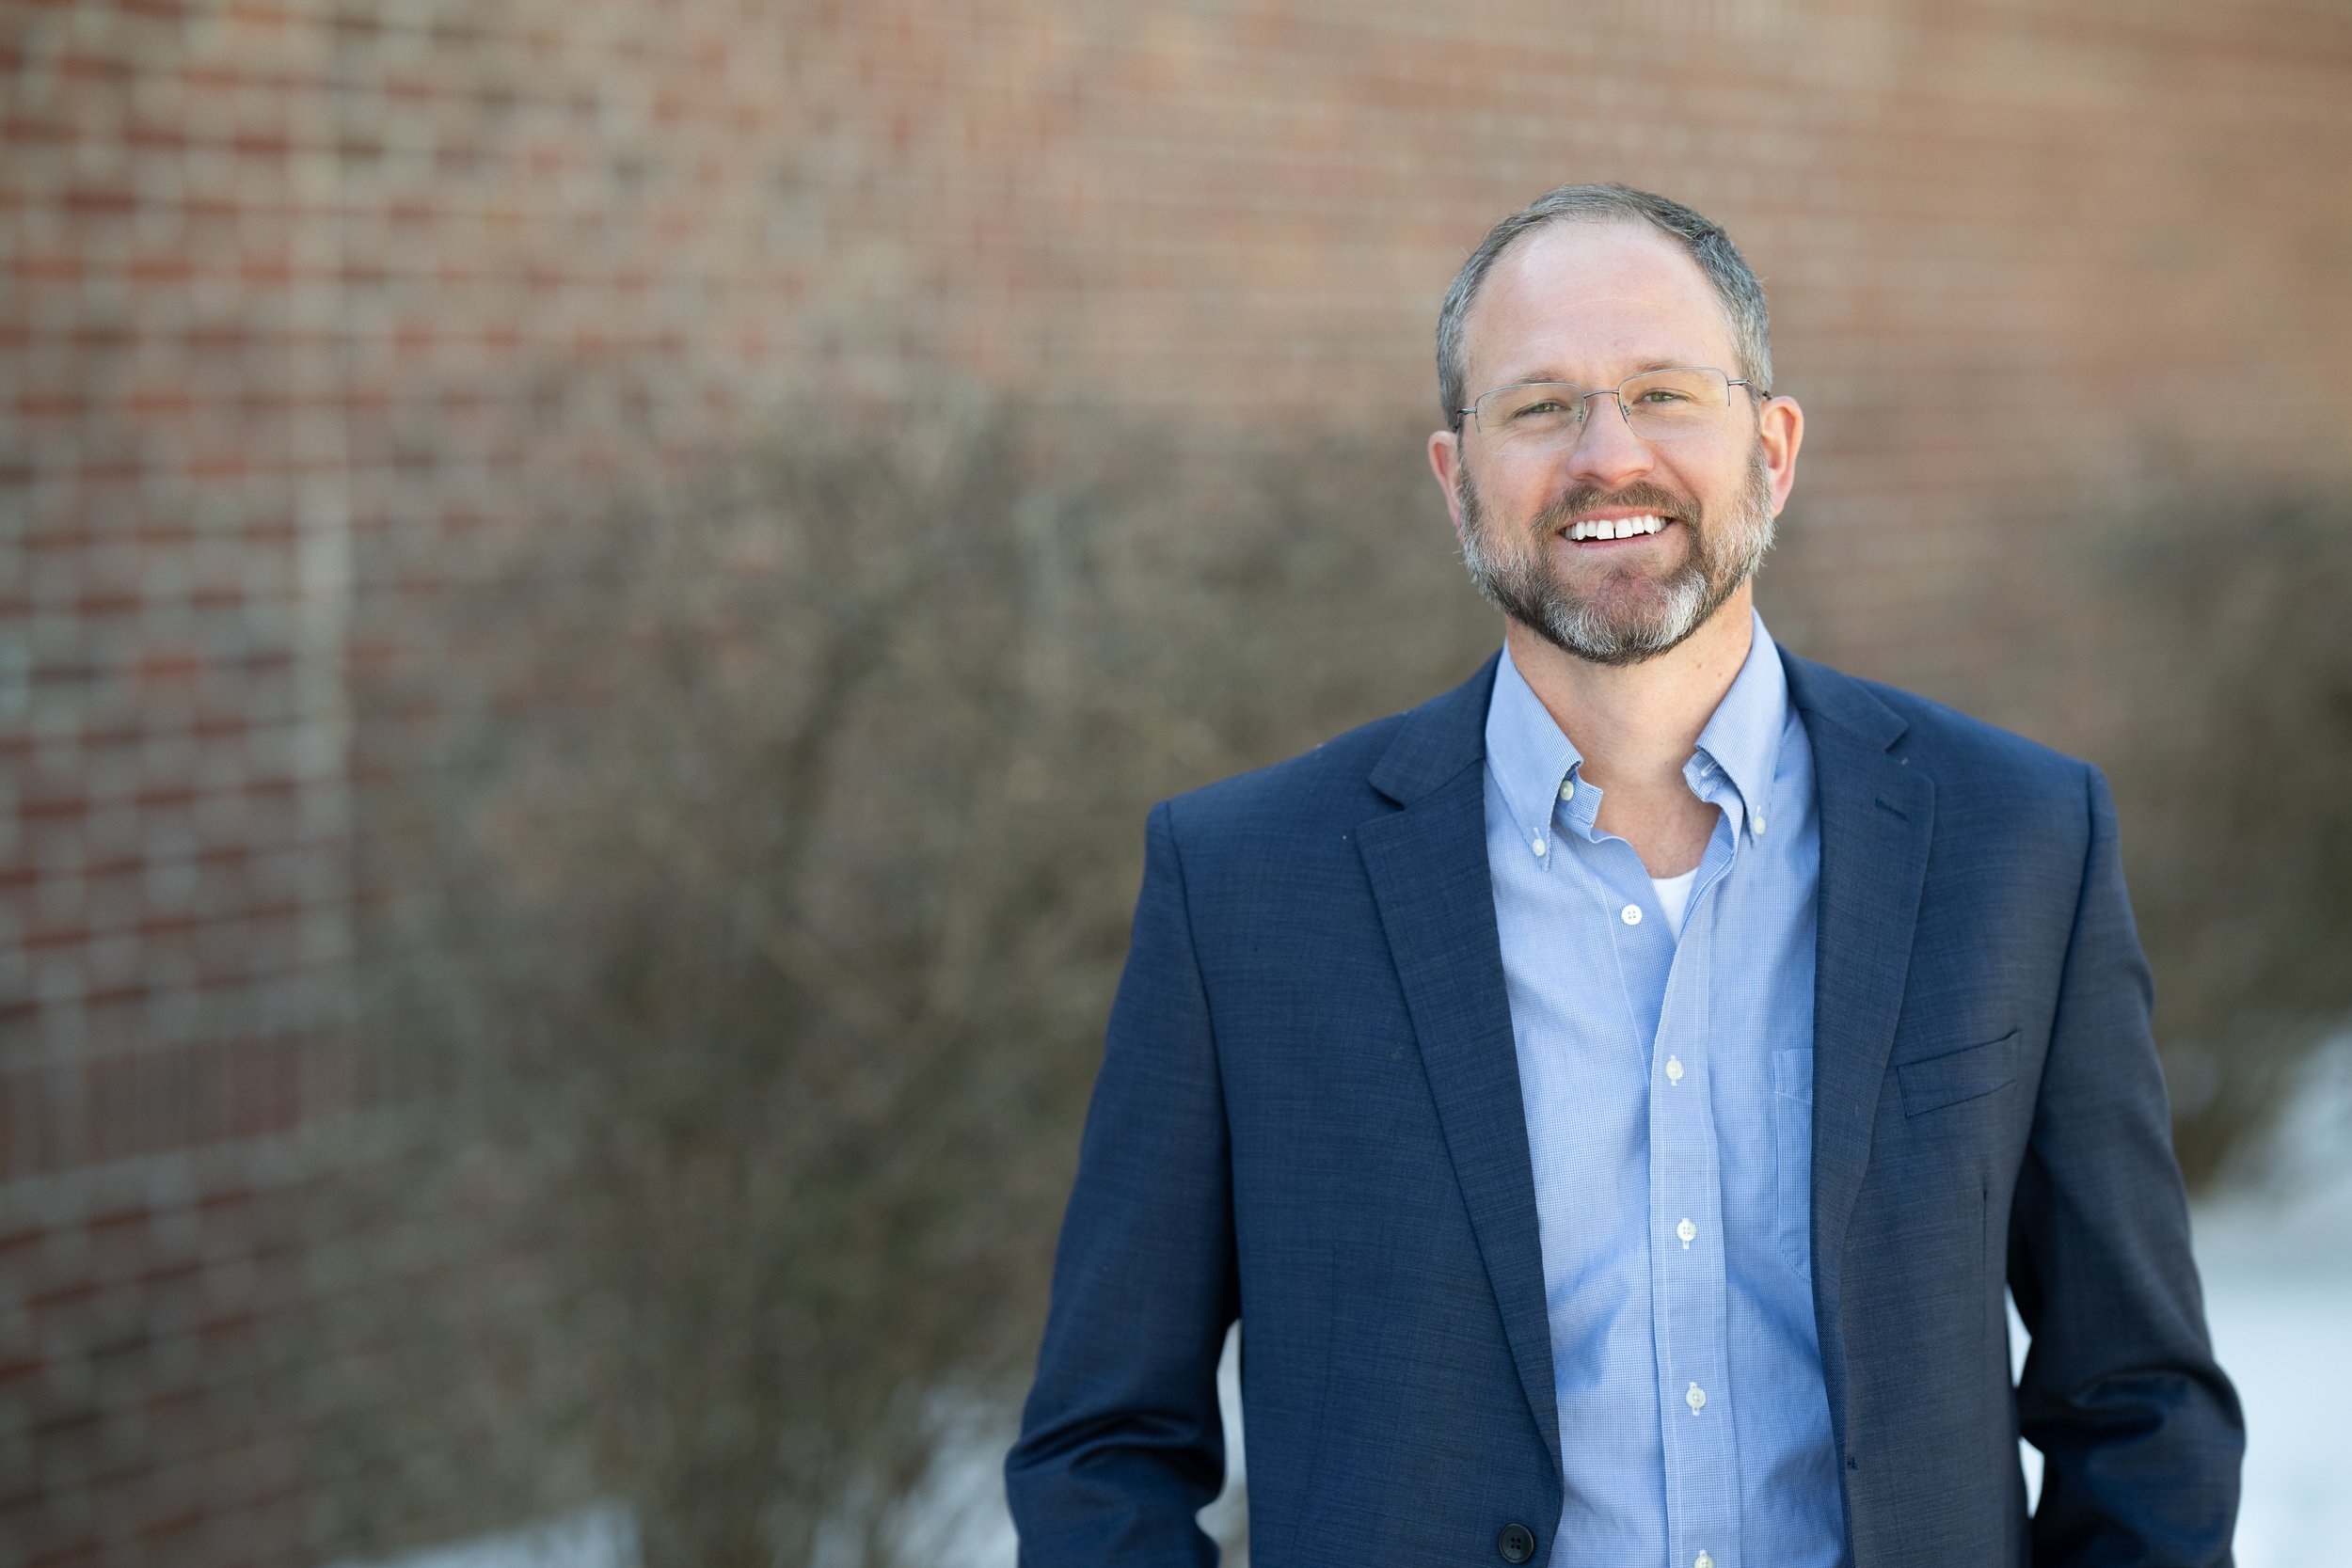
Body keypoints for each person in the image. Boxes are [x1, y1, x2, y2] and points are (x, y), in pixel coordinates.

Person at [1003, 183, 2242, 1568]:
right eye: (1539, 407)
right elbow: (1103, 1447)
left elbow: (2136, 1406)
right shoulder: (1245, 888)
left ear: (1773, 447)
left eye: (1664, 392)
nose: (1609, 456)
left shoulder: (2020, 843)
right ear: (1454, 474)